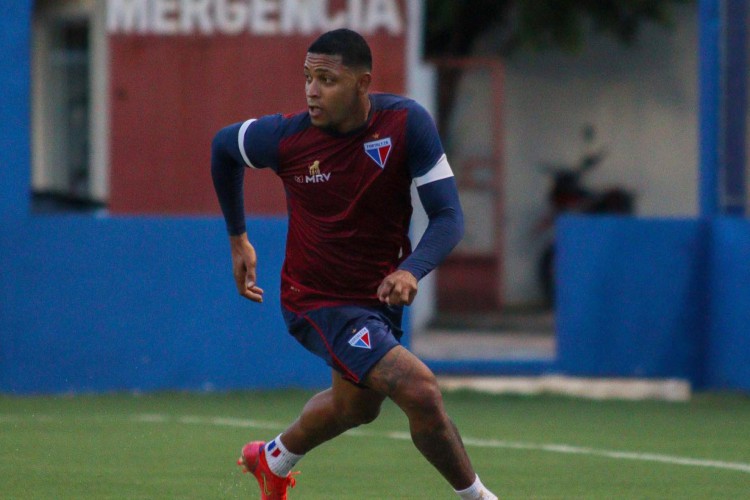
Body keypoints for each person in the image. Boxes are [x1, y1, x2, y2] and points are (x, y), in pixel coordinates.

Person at [211, 28, 497, 500]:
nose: (311, 90)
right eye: (307, 77)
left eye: (326, 79)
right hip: (317, 299)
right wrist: (237, 238)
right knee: (419, 390)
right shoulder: (286, 137)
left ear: (363, 83)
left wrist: (412, 269)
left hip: (376, 298)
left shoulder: (406, 124)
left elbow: (447, 216)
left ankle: (273, 458)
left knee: (356, 408)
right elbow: (224, 148)